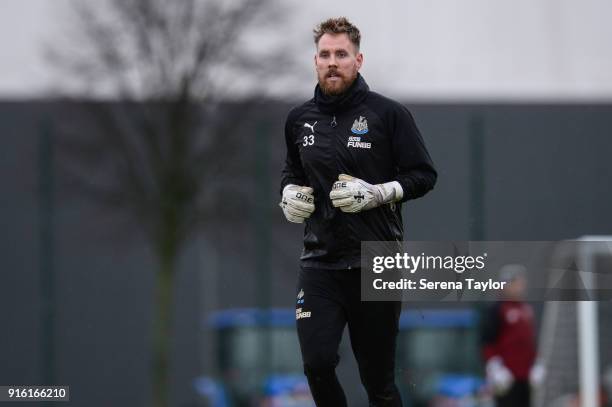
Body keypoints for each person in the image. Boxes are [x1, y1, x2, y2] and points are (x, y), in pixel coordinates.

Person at [279, 17, 437, 407]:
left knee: (378, 384)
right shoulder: (299, 119)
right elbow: (292, 172)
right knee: (317, 363)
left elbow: (424, 175)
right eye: (325, 54)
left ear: (359, 60)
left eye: (341, 54)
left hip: (376, 262)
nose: (333, 61)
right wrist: (287, 194)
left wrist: (378, 193)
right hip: (319, 263)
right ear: (315, 60)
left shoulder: (389, 114)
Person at [481, 264, 545, 407]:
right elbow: (487, 341)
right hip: (506, 377)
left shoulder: (526, 310)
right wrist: (495, 367)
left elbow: (529, 341)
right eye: (516, 283)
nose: (520, 287)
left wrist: (536, 364)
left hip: (525, 376)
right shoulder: (497, 310)